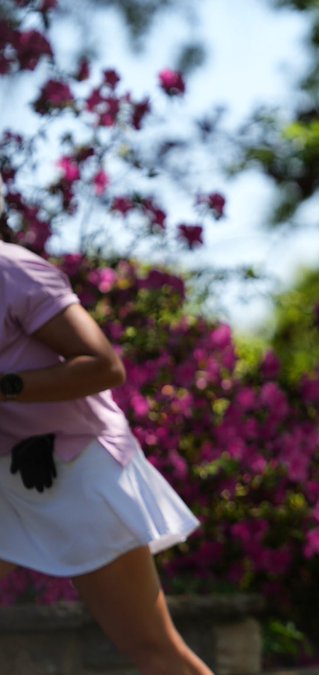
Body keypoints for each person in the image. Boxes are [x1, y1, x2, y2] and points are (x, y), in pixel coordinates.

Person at [0, 194, 212, 675]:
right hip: (6, 478)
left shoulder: (13, 272)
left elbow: (103, 366)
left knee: (152, 648)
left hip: (79, 468)